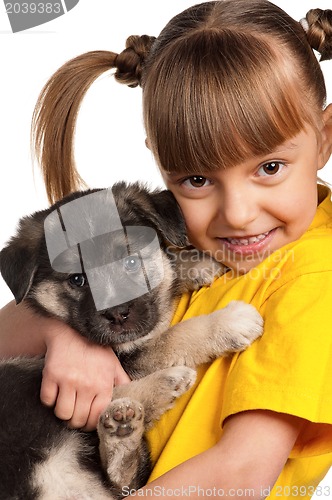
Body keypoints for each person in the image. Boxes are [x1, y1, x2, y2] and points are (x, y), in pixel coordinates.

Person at [1, 0, 332, 497]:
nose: (238, 213)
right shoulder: (148, 226)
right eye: (198, 179)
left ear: (325, 137)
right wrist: (64, 335)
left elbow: (240, 474)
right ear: (158, 161)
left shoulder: (315, 279)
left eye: (269, 167)